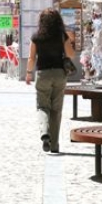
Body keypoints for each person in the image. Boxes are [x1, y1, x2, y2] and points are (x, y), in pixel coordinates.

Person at [25, 8, 75, 153]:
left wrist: (28, 73)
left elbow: (31, 58)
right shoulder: (62, 35)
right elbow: (71, 54)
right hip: (59, 74)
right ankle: (54, 145)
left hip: (43, 74)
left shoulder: (36, 37)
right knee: (56, 110)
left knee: (42, 107)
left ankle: (44, 133)